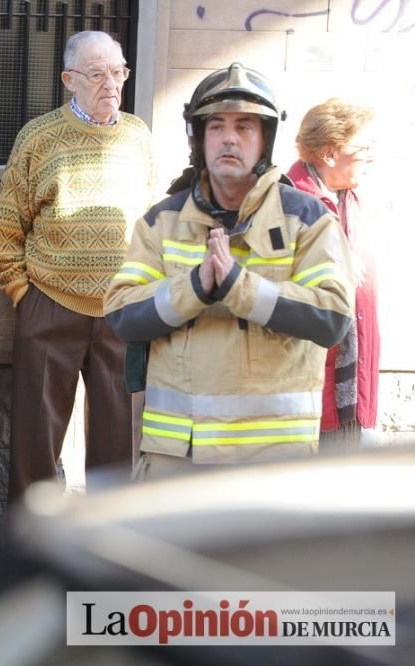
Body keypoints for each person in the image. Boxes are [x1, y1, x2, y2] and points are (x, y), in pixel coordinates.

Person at [104, 63, 354, 479]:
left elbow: (332, 318)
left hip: (273, 465)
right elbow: (123, 316)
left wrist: (240, 287)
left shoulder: (307, 219)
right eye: (216, 126)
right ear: (199, 138)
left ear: (265, 140)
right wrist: (197, 287)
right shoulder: (160, 221)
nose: (229, 138)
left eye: (245, 126)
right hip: (177, 460)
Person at [0, 30, 155, 501]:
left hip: (120, 310)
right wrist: (27, 296)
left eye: (118, 71)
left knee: (118, 444)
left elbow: (151, 225)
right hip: (49, 304)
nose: (111, 84)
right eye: (97, 73)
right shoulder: (38, 138)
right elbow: (6, 234)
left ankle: (107, 557)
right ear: (69, 79)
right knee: (34, 445)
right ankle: (33, 555)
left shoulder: (139, 137)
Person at [287, 99, 378, 450]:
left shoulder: (353, 201)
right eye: (361, 148)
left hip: (353, 386)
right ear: (328, 154)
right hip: (308, 390)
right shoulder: (291, 202)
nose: (370, 156)